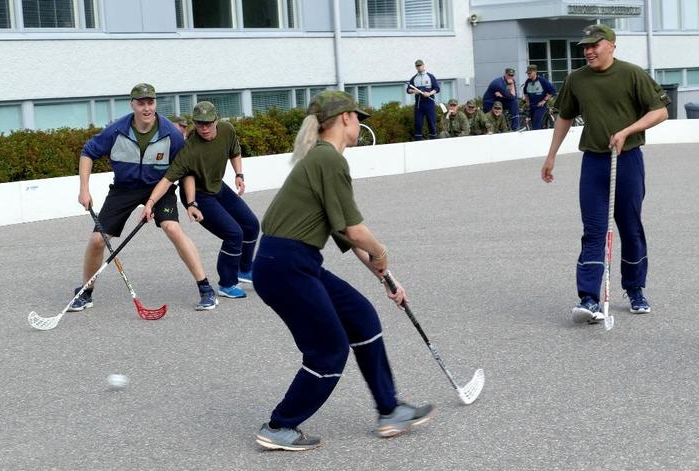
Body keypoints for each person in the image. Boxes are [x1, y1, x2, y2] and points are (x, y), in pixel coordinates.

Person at [252, 91, 433, 451]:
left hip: (294, 262)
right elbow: (356, 232)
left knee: (361, 317)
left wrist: (387, 280)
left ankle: (389, 410)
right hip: (286, 265)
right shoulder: (328, 160)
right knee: (329, 350)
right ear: (345, 119)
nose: (359, 123)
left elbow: (347, 237)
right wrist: (382, 253)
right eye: (356, 116)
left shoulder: (322, 160)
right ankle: (279, 426)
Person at [540, 24, 669, 323]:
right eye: (585, 46)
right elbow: (565, 117)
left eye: (595, 45)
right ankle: (588, 298)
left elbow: (660, 111)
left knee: (630, 227)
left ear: (611, 45)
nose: (588, 50)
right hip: (594, 163)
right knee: (594, 230)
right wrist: (551, 156)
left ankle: (635, 288)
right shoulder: (577, 80)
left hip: (627, 160)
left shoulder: (632, 74)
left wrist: (628, 130)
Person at [72, 83, 217, 312]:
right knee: (97, 240)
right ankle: (85, 293)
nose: (146, 108)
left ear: (155, 103)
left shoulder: (171, 133)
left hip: (160, 187)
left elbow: (186, 170)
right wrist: (84, 189)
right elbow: (88, 153)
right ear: (132, 105)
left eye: (150, 102)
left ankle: (206, 289)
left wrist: (191, 202)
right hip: (124, 188)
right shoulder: (116, 130)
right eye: (141, 103)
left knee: (172, 228)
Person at [141, 101, 261, 299]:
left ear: (216, 121)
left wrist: (239, 174)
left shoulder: (227, 130)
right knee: (234, 235)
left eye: (208, 123)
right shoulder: (189, 149)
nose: (204, 128)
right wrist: (152, 203)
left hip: (217, 185)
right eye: (199, 124)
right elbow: (168, 179)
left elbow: (235, 151)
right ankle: (227, 283)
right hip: (199, 196)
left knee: (251, 225)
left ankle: (245, 269)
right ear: (194, 123)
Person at [406, 59, 440, 141]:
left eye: (420, 65)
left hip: (429, 104)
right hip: (419, 105)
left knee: (432, 124)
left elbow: (437, 88)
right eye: (417, 66)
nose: (419, 67)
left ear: (423, 66)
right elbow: (408, 90)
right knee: (418, 124)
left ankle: (433, 141)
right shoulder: (414, 78)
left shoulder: (430, 76)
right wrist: (415, 91)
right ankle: (418, 141)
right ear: (416, 67)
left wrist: (429, 93)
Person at [523, 64, 557, 130]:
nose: (528, 74)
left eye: (530, 73)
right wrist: (527, 102)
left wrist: (544, 100)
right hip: (531, 106)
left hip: (540, 107)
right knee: (532, 124)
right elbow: (525, 93)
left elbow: (553, 91)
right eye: (528, 73)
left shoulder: (542, 81)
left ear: (535, 72)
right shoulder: (528, 82)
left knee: (536, 124)